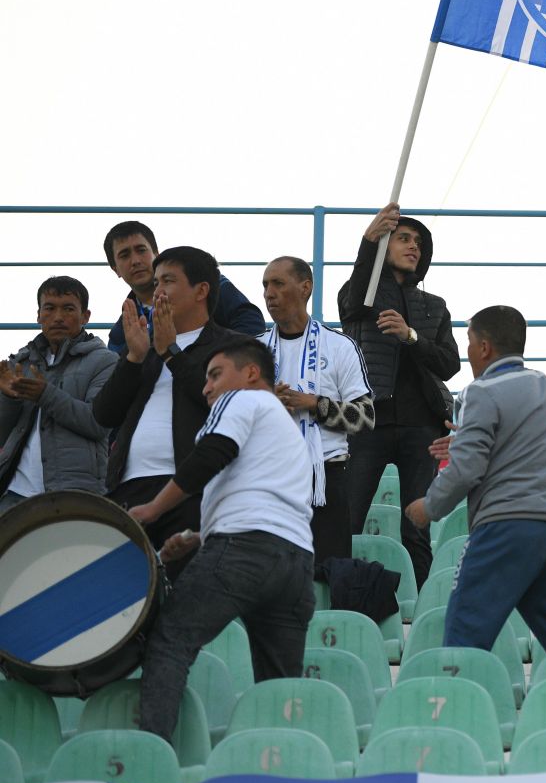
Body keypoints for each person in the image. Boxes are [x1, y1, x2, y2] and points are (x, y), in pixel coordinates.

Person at [128, 337, 315, 741]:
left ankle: (149, 760)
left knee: (171, 640)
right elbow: (267, 501)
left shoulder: (242, 401)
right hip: (296, 564)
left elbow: (213, 454)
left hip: (244, 552)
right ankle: (280, 775)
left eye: (215, 375)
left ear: (250, 373)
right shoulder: (289, 431)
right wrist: (199, 537)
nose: (206, 388)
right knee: (278, 687)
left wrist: (153, 509)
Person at [406, 306, 546, 655]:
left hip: (508, 525)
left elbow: (465, 470)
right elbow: (526, 447)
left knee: (465, 635)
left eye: (470, 342)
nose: (469, 352)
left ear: (485, 348)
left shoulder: (480, 391)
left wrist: (428, 507)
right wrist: (466, 442)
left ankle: (458, 707)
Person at [92, 246, 239, 570]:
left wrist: (171, 352)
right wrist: (133, 359)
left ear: (202, 290)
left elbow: (223, 404)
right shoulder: (144, 346)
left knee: (184, 598)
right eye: (156, 282)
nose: (157, 291)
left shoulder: (233, 346)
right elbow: (104, 415)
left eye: (168, 281)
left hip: (192, 490)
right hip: (128, 488)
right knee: (125, 603)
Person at [337, 203, 460, 588]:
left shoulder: (434, 306)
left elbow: (449, 363)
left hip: (421, 426)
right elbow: (352, 300)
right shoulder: (364, 295)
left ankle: (426, 606)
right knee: (349, 520)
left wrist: (411, 336)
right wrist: (368, 241)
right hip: (369, 421)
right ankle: (336, 601)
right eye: (403, 239)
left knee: (416, 527)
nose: (414, 247)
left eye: (419, 243)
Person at [260, 256, 375, 563]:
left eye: (278, 283)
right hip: (269, 476)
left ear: (305, 288)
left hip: (326, 477)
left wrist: (315, 404)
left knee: (329, 574)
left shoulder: (339, 346)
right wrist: (267, 403)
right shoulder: (253, 351)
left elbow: (365, 417)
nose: (268, 293)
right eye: (265, 285)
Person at [0, 277, 117, 511]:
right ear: (38, 315)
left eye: (68, 308)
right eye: (50, 308)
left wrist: (45, 394)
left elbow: (98, 423)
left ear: (86, 316)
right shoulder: (20, 363)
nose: (58, 317)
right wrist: (9, 399)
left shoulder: (106, 361)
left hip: (75, 493)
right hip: (13, 492)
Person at [101, 220, 264, 354]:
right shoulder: (121, 333)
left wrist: (217, 364)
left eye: (141, 250)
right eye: (124, 255)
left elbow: (251, 322)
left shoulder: (204, 283)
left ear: (156, 254)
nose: (135, 260)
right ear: (115, 269)